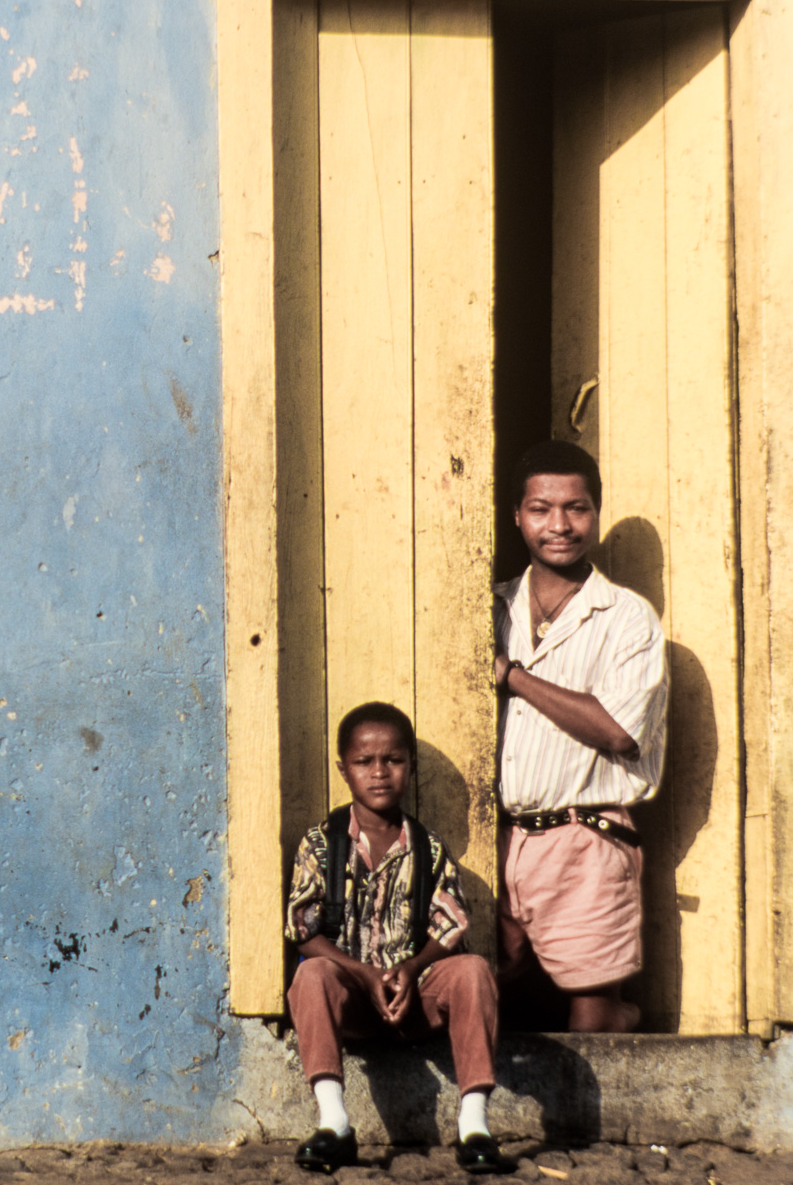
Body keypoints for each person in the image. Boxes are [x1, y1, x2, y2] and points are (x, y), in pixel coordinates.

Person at [284, 702, 507, 1175]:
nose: (380, 773)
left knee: (472, 970)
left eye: (394, 760)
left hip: (415, 999)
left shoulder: (428, 848)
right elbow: (303, 929)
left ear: (410, 765)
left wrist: (411, 967)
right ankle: (334, 1122)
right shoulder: (321, 844)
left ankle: (474, 1125)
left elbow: (451, 926)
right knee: (312, 974)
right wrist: (362, 973)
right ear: (344, 770)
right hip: (353, 1001)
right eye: (365, 762)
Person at [492, 440, 669, 1033]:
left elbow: (619, 732)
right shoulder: (494, 607)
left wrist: (513, 677)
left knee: (588, 1017)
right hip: (504, 838)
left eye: (578, 508)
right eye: (541, 509)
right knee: (498, 988)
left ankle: (615, 1016)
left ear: (595, 512)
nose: (560, 525)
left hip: (588, 838)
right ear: (517, 515)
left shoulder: (626, 617)